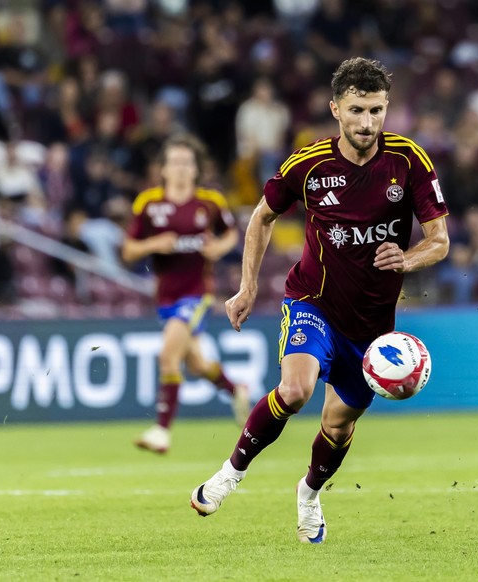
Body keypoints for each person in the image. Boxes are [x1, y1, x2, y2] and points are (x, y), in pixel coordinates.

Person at [189, 57, 450, 544]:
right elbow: (261, 218)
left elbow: (440, 240)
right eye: (356, 110)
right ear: (335, 109)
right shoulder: (308, 165)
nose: (367, 122)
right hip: (313, 301)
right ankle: (230, 474)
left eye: (376, 111)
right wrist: (247, 287)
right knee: (295, 391)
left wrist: (407, 260)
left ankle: (308, 494)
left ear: (387, 108)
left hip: (372, 327)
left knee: (338, 426)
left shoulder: (409, 160)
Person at [122, 134, 250, 454]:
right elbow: (128, 251)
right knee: (195, 364)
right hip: (165, 296)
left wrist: (217, 248)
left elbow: (231, 233)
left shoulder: (210, 202)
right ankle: (236, 390)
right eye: (175, 163)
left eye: (186, 163)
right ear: (163, 169)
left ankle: (161, 431)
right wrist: (154, 244)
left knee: (167, 356)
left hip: (197, 294)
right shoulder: (148, 203)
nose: (180, 169)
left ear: (195, 170)